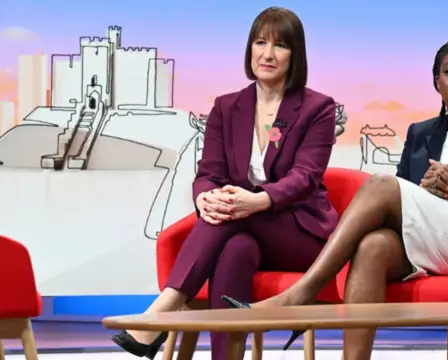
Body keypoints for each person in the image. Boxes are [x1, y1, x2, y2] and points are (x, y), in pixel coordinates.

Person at [223, 37, 448, 359]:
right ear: (437, 83)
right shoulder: (422, 133)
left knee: (381, 185)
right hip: (428, 240)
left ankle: (302, 293)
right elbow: (404, 200)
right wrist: (426, 192)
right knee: (373, 246)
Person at [111, 7, 339, 360]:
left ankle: (165, 307)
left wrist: (257, 201)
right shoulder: (227, 106)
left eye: (280, 45)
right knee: (235, 249)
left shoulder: (317, 108)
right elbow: (208, 175)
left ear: (296, 54)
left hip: (301, 232)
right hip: (243, 227)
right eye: (260, 42)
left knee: (232, 212)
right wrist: (204, 199)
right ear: (249, 49)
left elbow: (305, 178)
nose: (267, 53)